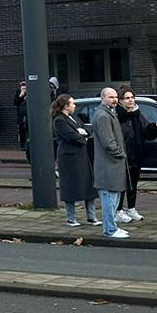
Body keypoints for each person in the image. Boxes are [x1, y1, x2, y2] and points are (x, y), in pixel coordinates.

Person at [91, 87, 130, 238]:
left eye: (115, 97)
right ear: (103, 98)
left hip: (112, 163)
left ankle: (112, 226)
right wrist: (121, 154)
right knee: (109, 198)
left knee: (114, 197)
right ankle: (110, 229)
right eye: (110, 97)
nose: (114, 100)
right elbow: (109, 142)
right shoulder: (103, 116)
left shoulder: (109, 113)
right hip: (108, 164)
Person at [52, 94, 96, 227]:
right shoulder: (59, 120)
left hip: (82, 156)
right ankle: (71, 218)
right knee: (70, 187)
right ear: (66, 106)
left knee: (89, 186)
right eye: (72, 103)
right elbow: (72, 136)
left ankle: (92, 216)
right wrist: (82, 135)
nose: (75, 105)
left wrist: (83, 133)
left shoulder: (74, 118)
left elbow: (87, 129)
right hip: (69, 158)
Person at [115, 86, 148, 223]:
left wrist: (154, 128)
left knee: (133, 183)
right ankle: (118, 210)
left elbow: (145, 129)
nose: (130, 100)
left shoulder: (137, 114)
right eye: (127, 98)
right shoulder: (117, 115)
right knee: (122, 184)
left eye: (132, 97)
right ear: (121, 101)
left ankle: (132, 208)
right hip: (123, 155)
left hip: (136, 154)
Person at [13, 81, 29, 149]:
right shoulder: (18, 93)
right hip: (21, 115)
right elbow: (15, 102)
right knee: (21, 130)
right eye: (22, 86)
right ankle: (22, 145)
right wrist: (21, 95)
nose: (24, 87)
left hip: (28, 114)